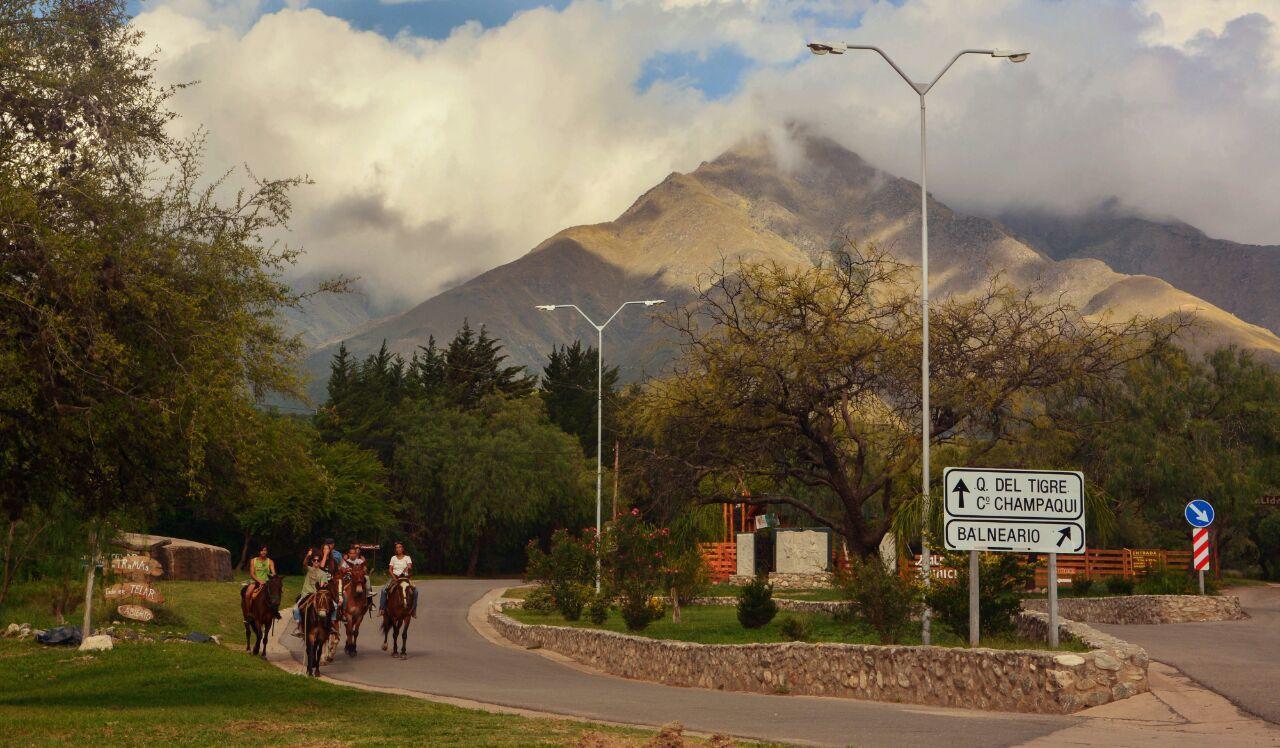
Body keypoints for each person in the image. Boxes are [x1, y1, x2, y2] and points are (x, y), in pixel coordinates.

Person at [291, 552, 332, 637]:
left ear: (320, 562)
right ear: (312, 561)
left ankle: (331, 625)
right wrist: (308, 555)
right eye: (314, 560)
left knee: (333, 606)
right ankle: (299, 626)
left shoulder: (323, 574)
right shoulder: (308, 569)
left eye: (318, 560)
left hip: (317, 595)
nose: (316, 562)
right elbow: (304, 563)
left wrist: (321, 589)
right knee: (295, 609)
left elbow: (323, 586)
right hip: (306, 594)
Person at [379, 542, 415, 615]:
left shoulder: (407, 557)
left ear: (403, 549)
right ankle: (382, 609)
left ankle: (413, 610)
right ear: (395, 549)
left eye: (400, 547)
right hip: (395, 577)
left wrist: (408, 567)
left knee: (416, 591)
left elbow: (410, 566)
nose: (398, 549)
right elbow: (390, 569)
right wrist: (394, 578)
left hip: (405, 578)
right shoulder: (393, 558)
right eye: (397, 547)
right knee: (383, 590)